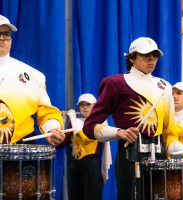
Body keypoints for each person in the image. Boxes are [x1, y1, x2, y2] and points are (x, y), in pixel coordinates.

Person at [83, 37, 183, 200]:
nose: (152, 59)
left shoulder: (165, 86)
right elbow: (90, 126)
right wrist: (119, 132)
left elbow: (169, 134)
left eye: (155, 55)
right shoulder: (114, 83)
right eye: (146, 55)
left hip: (160, 162)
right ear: (131, 58)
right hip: (129, 160)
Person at [0, 15, 64, 146]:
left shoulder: (34, 75)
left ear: (11, 39)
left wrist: (52, 129)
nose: (1, 38)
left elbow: (46, 111)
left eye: (6, 34)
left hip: (20, 151)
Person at [57, 93, 111, 200]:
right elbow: (60, 144)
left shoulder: (99, 122)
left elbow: (85, 137)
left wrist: (72, 118)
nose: (85, 107)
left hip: (91, 167)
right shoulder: (74, 123)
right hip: (75, 167)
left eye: (88, 105)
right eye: (82, 105)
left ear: (94, 106)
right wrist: (61, 123)